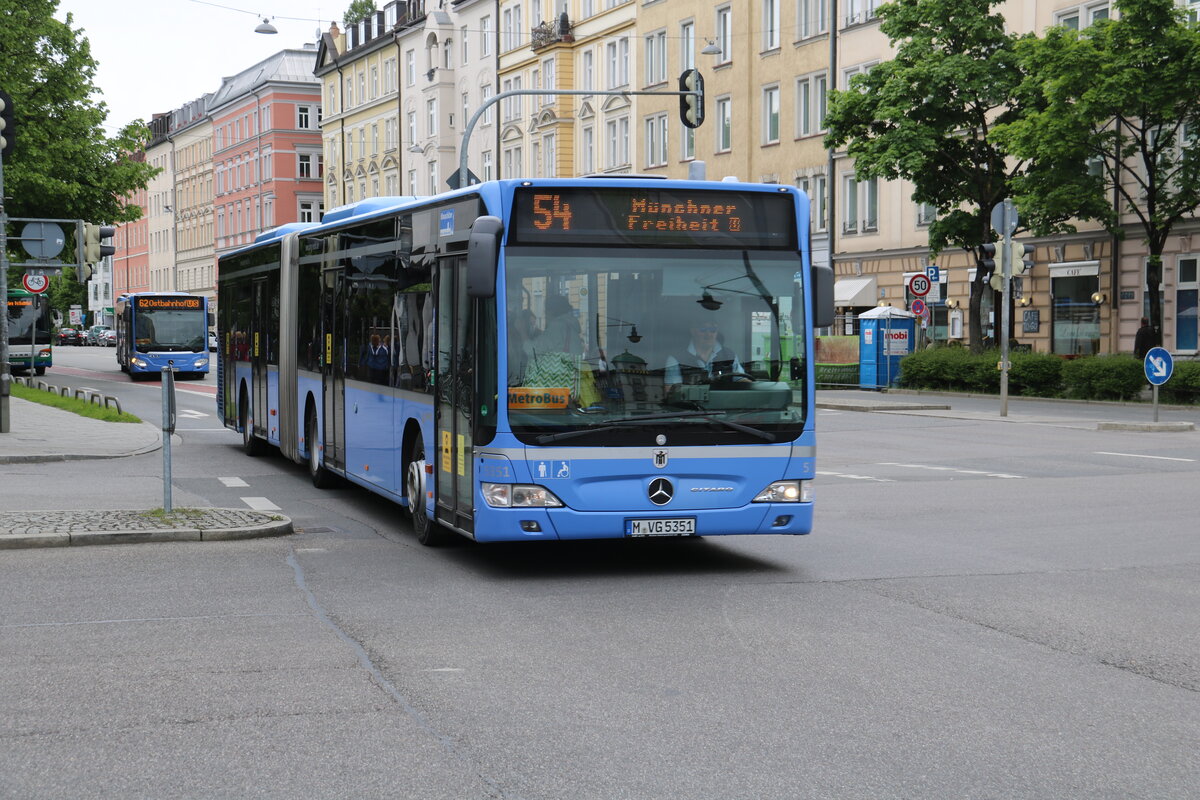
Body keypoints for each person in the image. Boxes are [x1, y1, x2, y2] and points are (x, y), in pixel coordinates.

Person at [664, 317, 746, 387]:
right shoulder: (676, 359)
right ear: (693, 331)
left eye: (712, 330)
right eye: (703, 330)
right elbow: (671, 393)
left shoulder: (729, 356)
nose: (708, 334)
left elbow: (742, 381)